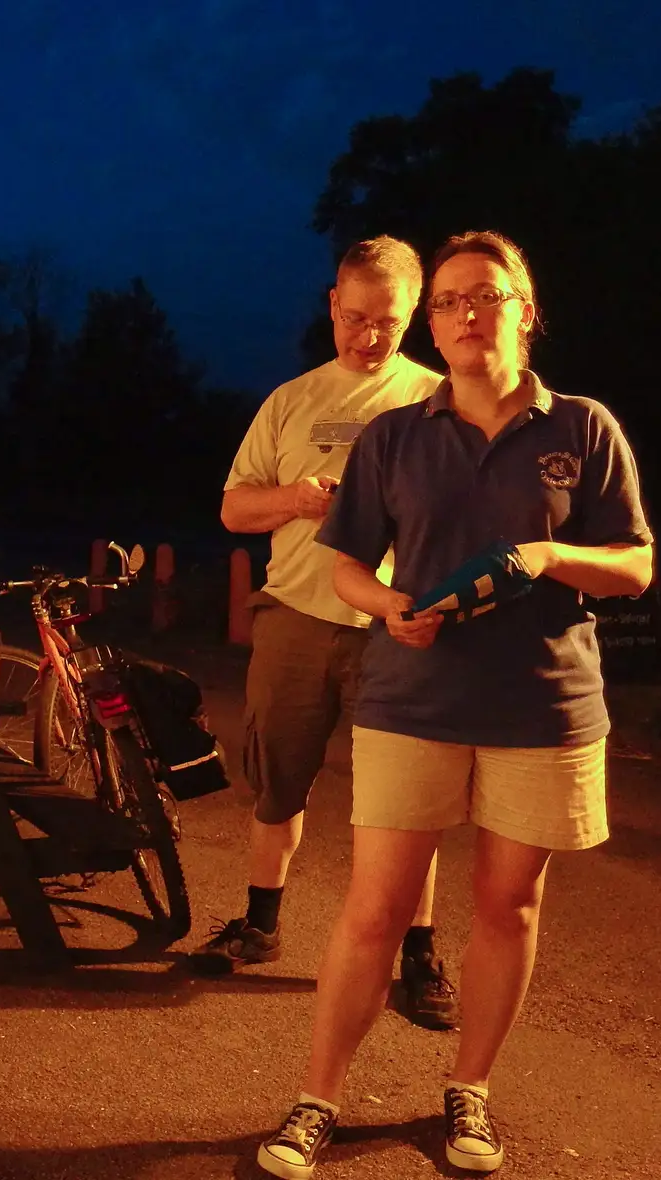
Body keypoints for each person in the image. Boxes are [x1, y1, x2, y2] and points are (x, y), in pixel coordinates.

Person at [256, 231, 653, 1178]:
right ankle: (318, 1099)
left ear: (526, 306)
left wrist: (553, 557)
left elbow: (636, 566)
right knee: (373, 910)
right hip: (413, 702)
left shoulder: (583, 428)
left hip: (544, 707)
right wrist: (391, 605)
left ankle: (468, 1091)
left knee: (507, 905)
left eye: (486, 295)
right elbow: (348, 566)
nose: (468, 315)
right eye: (447, 302)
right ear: (431, 322)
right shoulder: (398, 434)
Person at [194, 235, 458, 1032]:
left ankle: (421, 958)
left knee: (414, 797)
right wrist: (296, 500)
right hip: (298, 619)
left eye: (387, 321)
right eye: (354, 316)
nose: (368, 336)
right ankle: (262, 924)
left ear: (413, 315)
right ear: (331, 304)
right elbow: (234, 510)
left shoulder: (440, 400)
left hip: (398, 626)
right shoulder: (290, 400)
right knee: (277, 781)